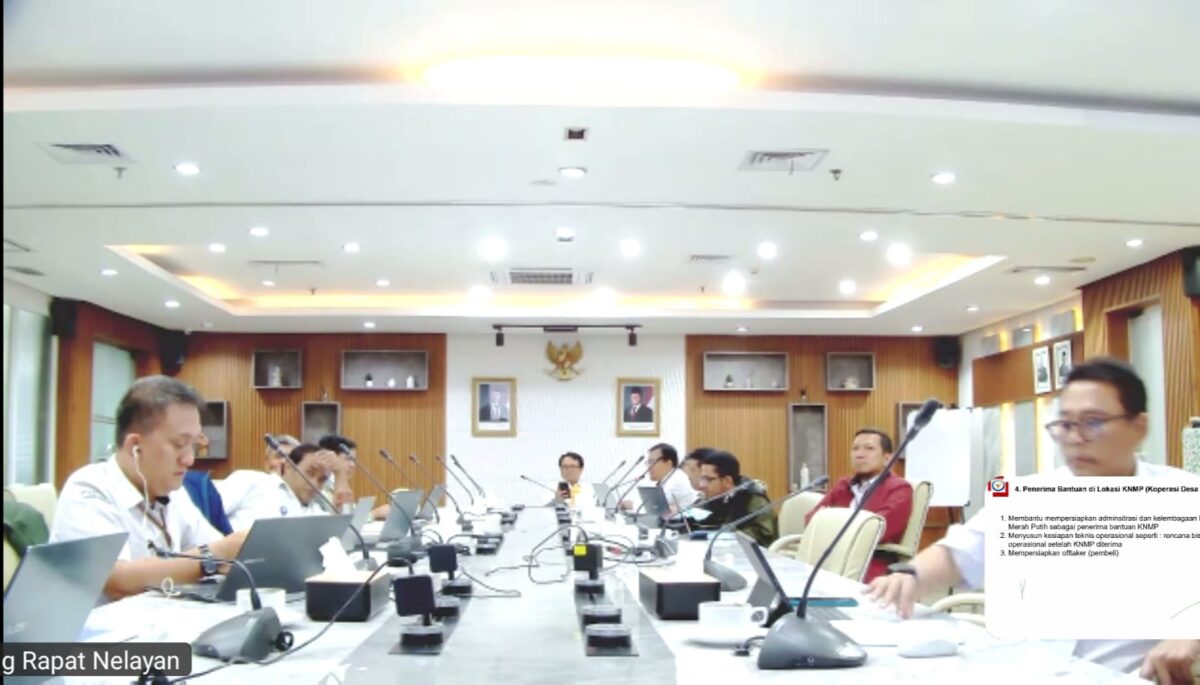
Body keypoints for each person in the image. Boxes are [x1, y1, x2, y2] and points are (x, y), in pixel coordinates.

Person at [865, 358, 1200, 683]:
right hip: (1026, 670)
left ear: (1138, 427)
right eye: (1065, 424)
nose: (1074, 438)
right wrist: (911, 575)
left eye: (1093, 422)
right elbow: (960, 553)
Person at [50, 376, 248, 601]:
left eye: (193, 445)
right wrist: (213, 556)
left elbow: (220, 554)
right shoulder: (88, 488)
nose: (190, 459)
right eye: (179, 444)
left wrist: (232, 551)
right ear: (135, 446)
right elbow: (117, 581)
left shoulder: (173, 491)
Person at [805, 428, 913, 582]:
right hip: (829, 558)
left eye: (869, 448)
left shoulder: (899, 488)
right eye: (855, 448)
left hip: (869, 563)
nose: (859, 454)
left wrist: (829, 523)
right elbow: (811, 520)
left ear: (887, 458)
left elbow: (877, 529)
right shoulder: (844, 485)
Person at [220, 444, 342, 531]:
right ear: (289, 466)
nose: (314, 484)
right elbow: (209, 514)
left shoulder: (314, 511)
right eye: (310, 473)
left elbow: (343, 533)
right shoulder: (251, 481)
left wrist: (340, 474)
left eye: (322, 480)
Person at [694, 451, 777, 547]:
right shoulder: (711, 497)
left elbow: (765, 534)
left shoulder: (753, 498)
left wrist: (725, 534)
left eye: (708, 480)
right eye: (702, 479)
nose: (702, 485)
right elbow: (694, 516)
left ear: (727, 481)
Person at [623, 443, 699, 514]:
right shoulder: (667, 479)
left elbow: (656, 508)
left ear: (668, 463)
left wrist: (631, 504)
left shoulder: (678, 480)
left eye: (652, 462)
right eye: (648, 462)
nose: (649, 466)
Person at [316, 434, 359, 510]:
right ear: (330, 457)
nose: (352, 465)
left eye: (353, 460)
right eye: (348, 459)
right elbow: (340, 513)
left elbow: (350, 512)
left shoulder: (339, 481)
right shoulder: (317, 485)